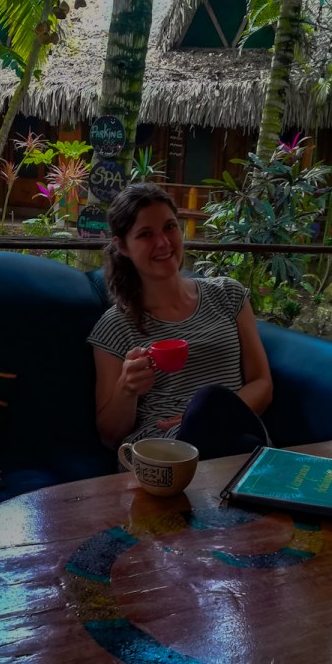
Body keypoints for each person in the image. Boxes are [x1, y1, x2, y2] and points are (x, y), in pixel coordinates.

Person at [88, 183, 273, 460]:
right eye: (145, 234)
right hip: (162, 449)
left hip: (234, 430)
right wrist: (127, 388)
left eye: (170, 227)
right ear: (122, 246)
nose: (163, 242)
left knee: (210, 403)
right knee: (218, 422)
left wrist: (208, 416)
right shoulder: (115, 325)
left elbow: (261, 383)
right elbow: (109, 437)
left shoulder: (228, 294)